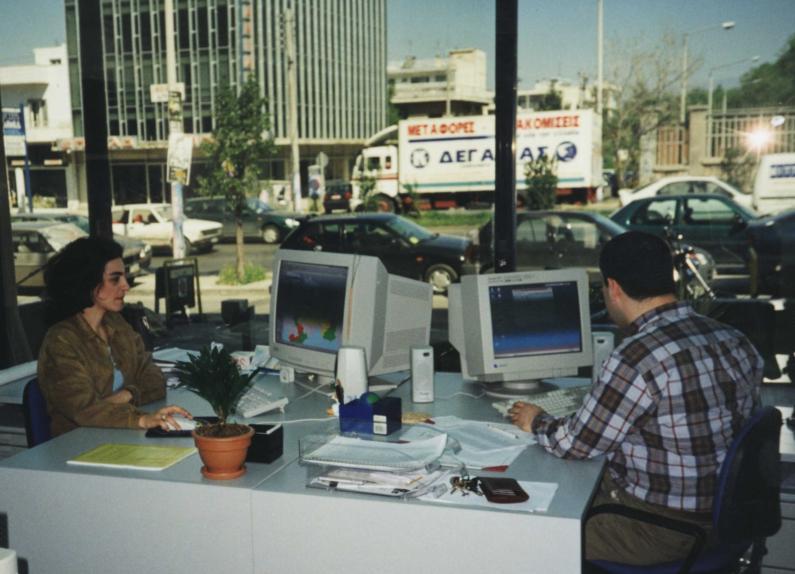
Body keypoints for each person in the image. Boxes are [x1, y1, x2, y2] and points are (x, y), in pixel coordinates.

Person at [509, 230, 763, 566]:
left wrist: (535, 419)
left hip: (662, 528)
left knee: (522, 533)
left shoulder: (638, 356)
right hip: (727, 517)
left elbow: (573, 445)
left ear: (613, 288)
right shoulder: (732, 339)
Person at [37, 236, 191, 437]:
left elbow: (154, 379)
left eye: (124, 277)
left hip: (120, 433)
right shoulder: (61, 341)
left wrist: (126, 395)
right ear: (88, 282)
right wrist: (142, 419)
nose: (125, 286)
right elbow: (83, 411)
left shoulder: (117, 324)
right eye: (115, 278)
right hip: (77, 442)